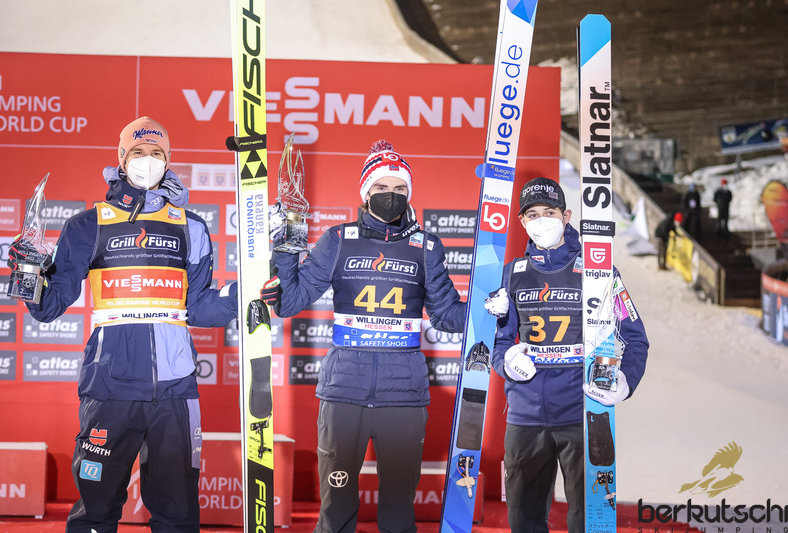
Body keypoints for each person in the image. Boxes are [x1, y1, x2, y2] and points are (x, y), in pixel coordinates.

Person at [7, 117, 238, 532]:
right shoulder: (87, 225)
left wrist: (243, 294)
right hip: (109, 386)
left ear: (168, 160)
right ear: (121, 157)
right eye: (138, 152)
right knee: (96, 510)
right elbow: (49, 307)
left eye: (157, 153)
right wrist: (27, 275)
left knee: (178, 514)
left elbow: (201, 308)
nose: (147, 161)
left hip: (175, 389)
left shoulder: (191, 226)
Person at [260, 140, 466, 533]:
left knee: (398, 510)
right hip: (344, 391)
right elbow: (290, 302)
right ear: (365, 191)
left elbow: (446, 315)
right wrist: (285, 247)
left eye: (400, 189)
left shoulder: (426, 247)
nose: (391, 195)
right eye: (381, 188)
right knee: (336, 508)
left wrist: (491, 310)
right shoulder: (339, 239)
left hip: (403, 395)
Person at [485, 177, 648, 533]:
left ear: (566, 215)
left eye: (550, 212)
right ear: (522, 221)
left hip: (583, 413)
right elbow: (498, 344)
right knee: (523, 521)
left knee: (589, 520)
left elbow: (636, 338)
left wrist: (626, 380)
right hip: (525, 418)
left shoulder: (598, 272)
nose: (542, 220)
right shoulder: (512, 274)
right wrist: (506, 363)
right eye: (533, 214)